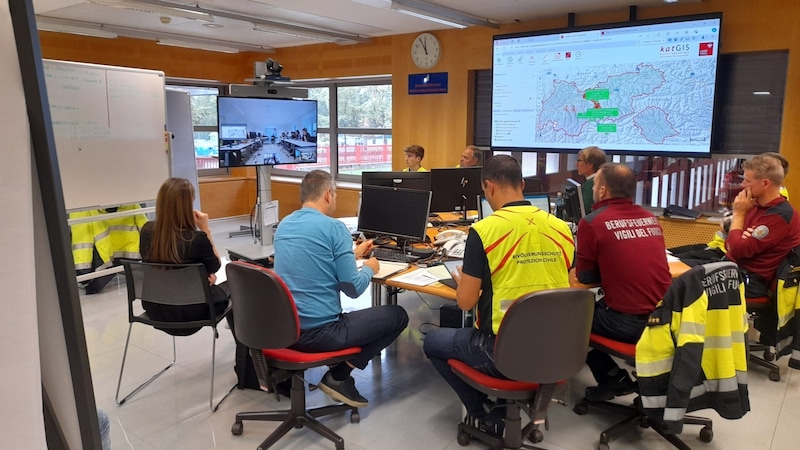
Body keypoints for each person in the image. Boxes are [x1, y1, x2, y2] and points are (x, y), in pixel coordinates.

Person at [424, 155, 575, 436]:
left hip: (502, 353)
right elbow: (569, 288)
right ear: (521, 184)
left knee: (433, 341)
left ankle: (482, 413)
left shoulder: (484, 231)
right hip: (555, 349)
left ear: (489, 187)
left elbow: (466, 302)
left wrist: (462, 282)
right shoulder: (562, 228)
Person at [273, 170, 409, 407]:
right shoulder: (334, 228)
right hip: (321, 333)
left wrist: (350, 254)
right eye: (334, 195)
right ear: (328, 195)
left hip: (285, 330)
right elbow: (353, 289)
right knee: (398, 316)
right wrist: (370, 268)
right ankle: (339, 376)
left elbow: (314, 265)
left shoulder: (285, 224)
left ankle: (337, 369)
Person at [570, 163, 671, 401]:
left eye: (595, 185)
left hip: (629, 324)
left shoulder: (593, 222)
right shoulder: (650, 218)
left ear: (602, 191)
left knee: (568, 314)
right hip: (666, 317)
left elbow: (584, 279)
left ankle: (611, 379)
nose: (593, 188)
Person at [725, 154, 800, 343]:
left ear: (765, 183)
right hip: (734, 269)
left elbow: (738, 249)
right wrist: (736, 233)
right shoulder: (756, 205)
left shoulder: (779, 215)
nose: (743, 185)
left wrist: (739, 214)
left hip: (751, 281)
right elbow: (730, 241)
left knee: (687, 286)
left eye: (748, 181)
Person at [139, 178, 230, 331]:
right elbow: (216, 265)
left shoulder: (147, 230)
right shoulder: (196, 239)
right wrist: (205, 230)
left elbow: (157, 266)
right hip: (193, 311)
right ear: (187, 205)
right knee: (236, 284)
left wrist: (202, 275)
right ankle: (245, 353)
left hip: (155, 308)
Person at [576, 146, 606, 215]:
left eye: (579, 161)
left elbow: (583, 212)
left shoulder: (591, 184)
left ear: (590, 165)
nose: (576, 164)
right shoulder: (603, 179)